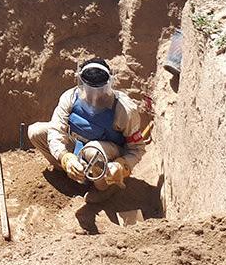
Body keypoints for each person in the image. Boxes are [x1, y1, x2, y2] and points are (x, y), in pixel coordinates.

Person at [27, 58, 152, 196]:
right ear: (81, 82)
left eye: (100, 90)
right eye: (89, 89)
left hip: (107, 154)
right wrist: (66, 158)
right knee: (36, 132)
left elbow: (136, 148)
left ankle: (105, 187)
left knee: (93, 150)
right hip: (78, 146)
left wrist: (122, 166)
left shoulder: (123, 109)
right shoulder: (70, 97)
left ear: (109, 84)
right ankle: (74, 172)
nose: (94, 96)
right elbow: (56, 131)